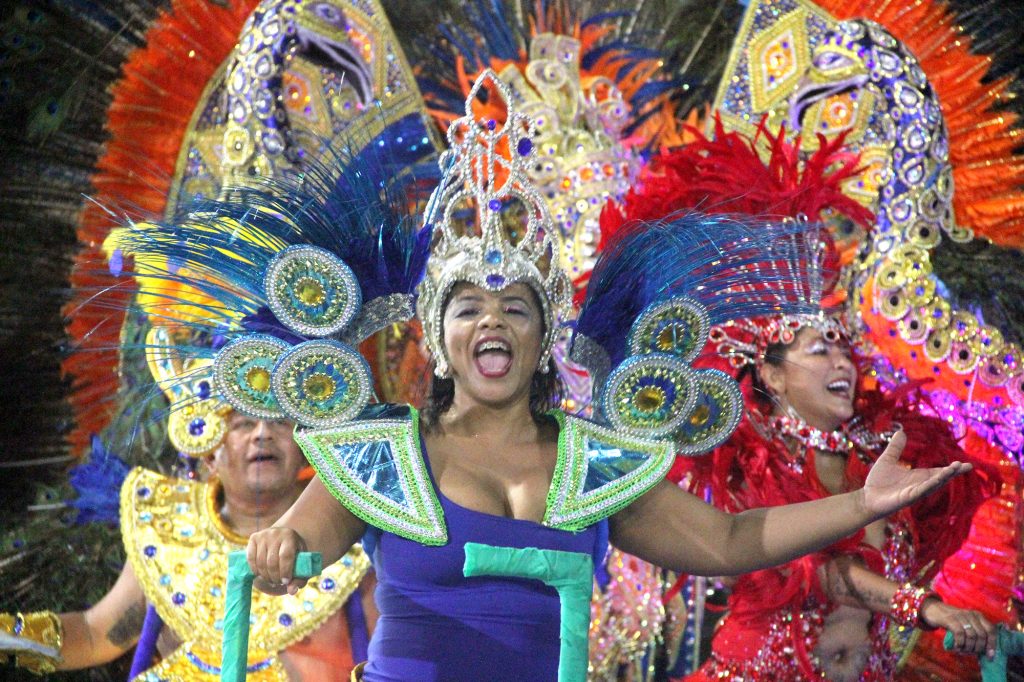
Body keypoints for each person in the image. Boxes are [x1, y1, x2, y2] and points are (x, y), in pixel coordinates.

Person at [235, 74, 994, 681]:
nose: (492, 322)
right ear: (439, 342)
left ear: (542, 343)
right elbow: (293, 548)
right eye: (468, 308)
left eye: (516, 310)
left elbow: (730, 540)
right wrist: (274, 553)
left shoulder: (590, 461)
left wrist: (860, 503)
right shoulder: (380, 454)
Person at [677, 314, 996, 681]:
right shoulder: (750, 465)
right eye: (819, 351)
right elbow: (818, 572)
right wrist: (924, 608)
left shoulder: (879, 463)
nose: (842, 362)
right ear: (772, 375)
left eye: (845, 351)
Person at [0, 410, 373, 680]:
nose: (263, 434)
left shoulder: (349, 536)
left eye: (280, 421)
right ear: (210, 453)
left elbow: (390, 656)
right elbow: (96, 632)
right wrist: (11, 636)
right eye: (243, 423)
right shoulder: (167, 526)